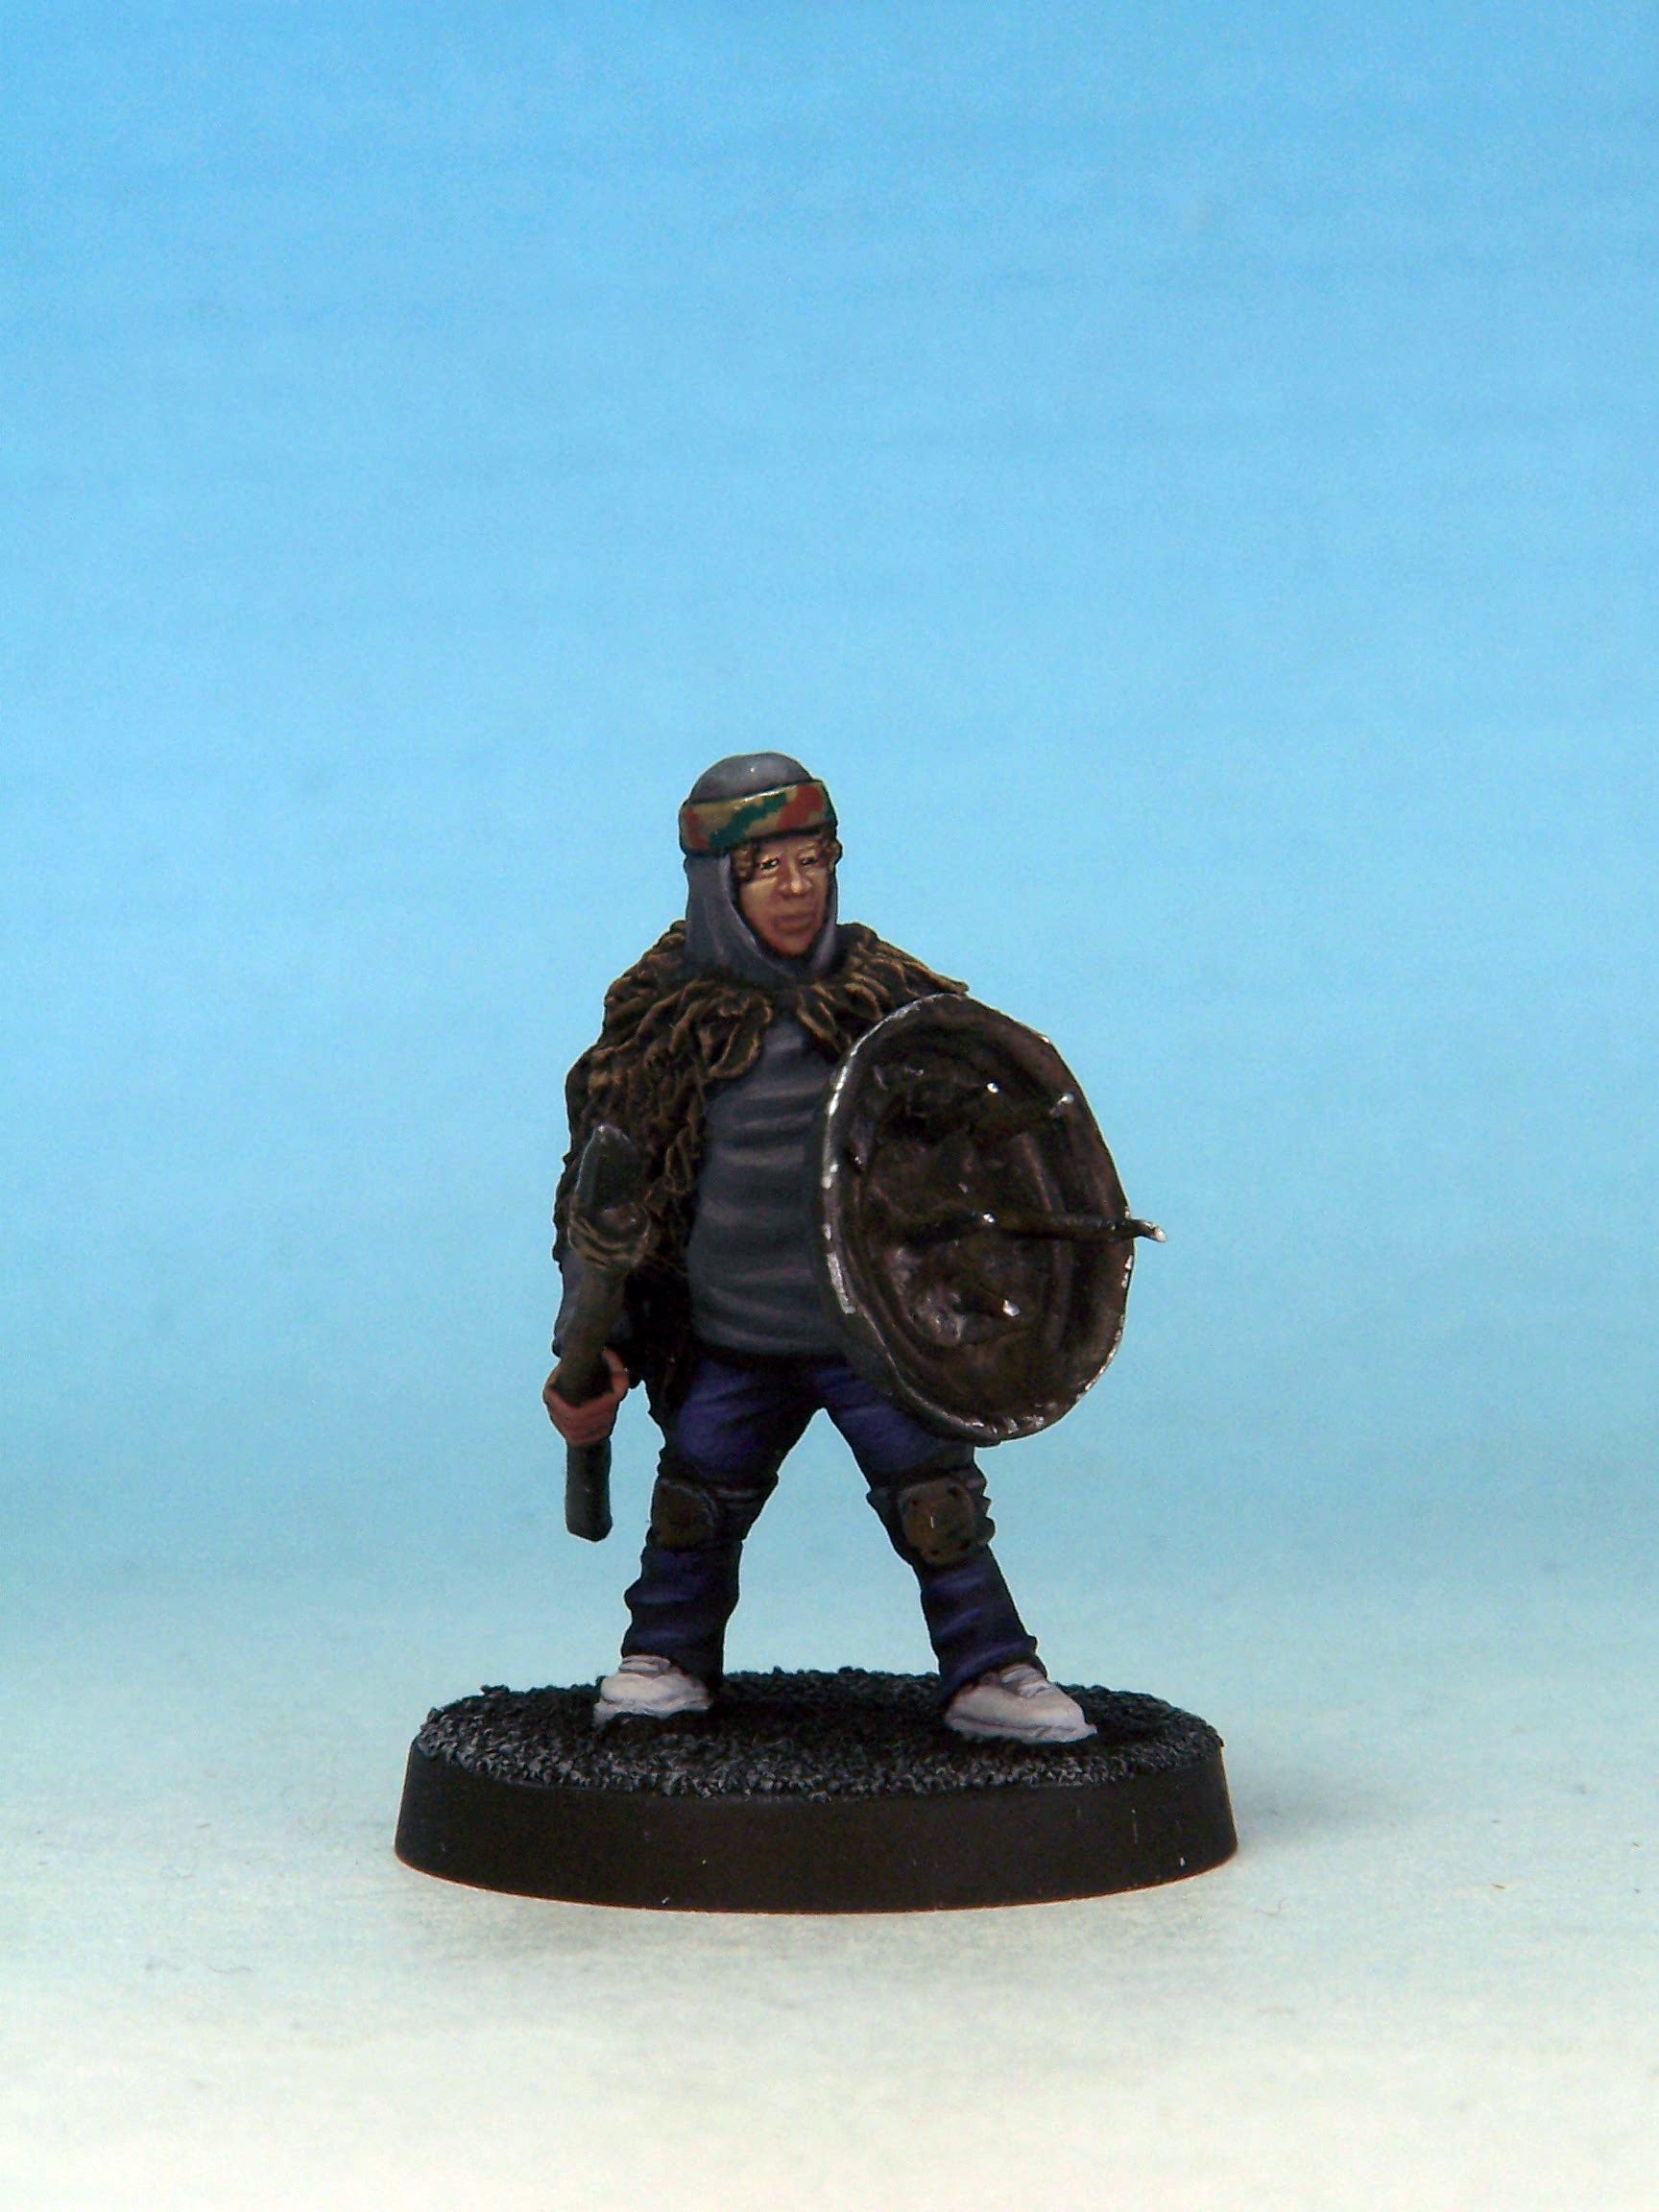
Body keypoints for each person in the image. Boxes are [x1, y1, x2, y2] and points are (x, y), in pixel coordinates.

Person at [543, 753, 1093, 1743]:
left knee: (937, 1506)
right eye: (765, 868)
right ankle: (667, 1654)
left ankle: (990, 1666)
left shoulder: (889, 1002)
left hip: (873, 1336)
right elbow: (608, 1204)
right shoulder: (661, 1024)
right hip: (730, 1337)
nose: (796, 888)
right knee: (694, 1508)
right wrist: (598, 1349)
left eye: (813, 860)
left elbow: (982, 1146)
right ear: (717, 884)